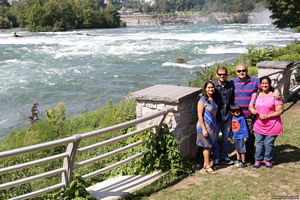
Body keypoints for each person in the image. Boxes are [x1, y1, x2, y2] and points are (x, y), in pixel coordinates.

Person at [249, 76, 283, 169]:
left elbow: (280, 110)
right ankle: (258, 160)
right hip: (259, 124)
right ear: (260, 84)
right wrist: (252, 110)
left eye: (266, 83)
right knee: (259, 143)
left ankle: (267, 160)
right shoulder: (255, 95)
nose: (264, 85)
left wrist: (268, 116)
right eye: (262, 83)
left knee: (268, 144)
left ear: (269, 84)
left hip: (273, 125)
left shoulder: (275, 95)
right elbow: (251, 106)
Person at [230, 64, 260, 164]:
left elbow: (266, 86)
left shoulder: (255, 81)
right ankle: (240, 155)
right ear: (236, 72)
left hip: (248, 116)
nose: (241, 73)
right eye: (239, 71)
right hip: (236, 116)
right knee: (238, 136)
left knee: (249, 136)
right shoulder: (232, 82)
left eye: (243, 70)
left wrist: (276, 91)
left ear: (247, 71)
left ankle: (249, 156)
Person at [212, 66, 235, 165]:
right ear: (217, 75)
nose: (222, 76)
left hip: (227, 116)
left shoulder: (230, 85)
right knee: (215, 138)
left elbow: (232, 100)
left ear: (227, 75)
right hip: (215, 117)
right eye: (220, 74)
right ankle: (216, 157)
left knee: (226, 138)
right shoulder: (213, 86)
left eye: (224, 74)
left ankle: (225, 156)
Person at [196, 81, 218, 174]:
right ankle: (208, 166)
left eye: (212, 87)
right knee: (206, 146)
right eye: (208, 88)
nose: (210, 89)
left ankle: (206, 163)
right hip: (204, 126)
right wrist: (204, 129)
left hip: (212, 125)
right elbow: (200, 115)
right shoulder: (202, 100)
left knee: (209, 146)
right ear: (205, 89)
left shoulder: (213, 98)